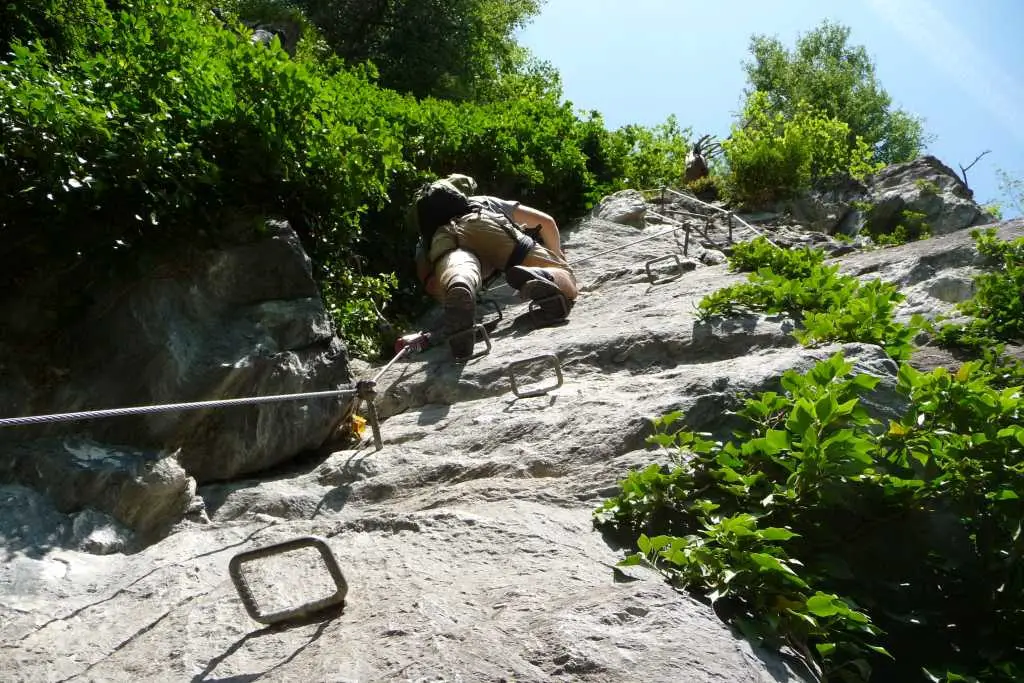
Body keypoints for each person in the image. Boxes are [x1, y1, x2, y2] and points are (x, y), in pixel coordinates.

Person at [412, 175, 577, 358]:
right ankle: (544, 275)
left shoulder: (425, 239)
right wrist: (557, 256)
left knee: (458, 270)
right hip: (482, 223)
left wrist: (454, 299)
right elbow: (546, 222)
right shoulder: (482, 201)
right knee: (563, 275)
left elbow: (429, 283)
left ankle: (460, 283)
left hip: (444, 242)